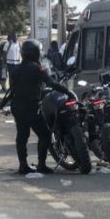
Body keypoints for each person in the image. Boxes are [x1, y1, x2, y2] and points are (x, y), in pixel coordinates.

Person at [8, 39, 75, 175]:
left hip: (17, 107)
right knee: (44, 135)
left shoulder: (15, 70)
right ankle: (41, 165)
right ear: (36, 53)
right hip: (31, 107)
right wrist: (67, 92)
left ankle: (23, 166)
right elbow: (52, 83)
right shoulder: (38, 69)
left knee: (22, 136)